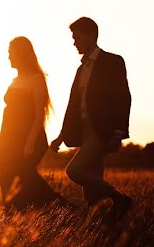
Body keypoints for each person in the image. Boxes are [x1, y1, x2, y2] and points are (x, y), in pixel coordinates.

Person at [49, 17, 133, 220]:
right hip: (83, 132)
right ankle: (100, 221)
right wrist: (61, 137)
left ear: (91, 36)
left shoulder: (113, 61)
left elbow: (123, 97)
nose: (74, 42)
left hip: (101, 131)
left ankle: (119, 199)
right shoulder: (81, 69)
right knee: (91, 183)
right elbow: (73, 106)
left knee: (75, 170)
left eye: (77, 38)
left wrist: (119, 131)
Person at [0, 37, 60, 212]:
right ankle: (15, 216)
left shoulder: (36, 79)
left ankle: (63, 210)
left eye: (11, 53)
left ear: (21, 54)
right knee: (5, 176)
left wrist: (30, 142)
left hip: (29, 138)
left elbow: (39, 114)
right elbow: (8, 119)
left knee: (25, 178)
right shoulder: (15, 80)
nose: (9, 57)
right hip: (10, 138)